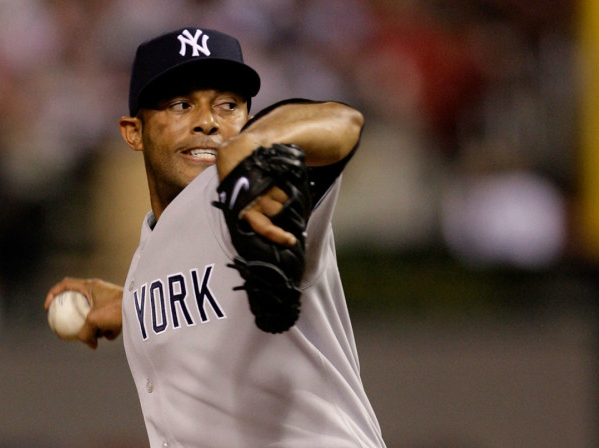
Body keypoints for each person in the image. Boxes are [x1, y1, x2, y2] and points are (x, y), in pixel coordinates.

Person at [45, 27, 386, 448]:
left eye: (228, 105)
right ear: (133, 131)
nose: (208, 122)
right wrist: (130, 307)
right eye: (181, 104)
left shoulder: (249, 193)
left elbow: (343, 122)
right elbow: (202, 294)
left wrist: (255, 142)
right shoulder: (148, 254)